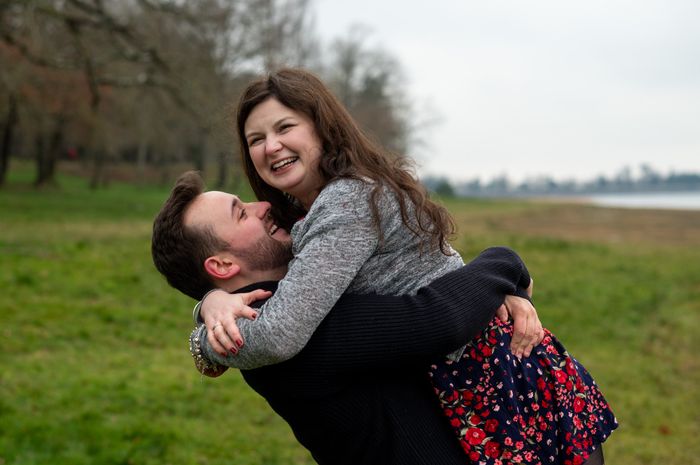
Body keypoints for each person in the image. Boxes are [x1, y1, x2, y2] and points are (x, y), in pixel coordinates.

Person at [192, 68, 617, 464]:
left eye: (285, 128)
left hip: (496, 372)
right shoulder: (312, 212)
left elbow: (280, 331)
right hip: (476, 372)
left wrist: (208, 343)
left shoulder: (344, 203)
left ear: (322, 128)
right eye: (256, 139)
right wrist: (211, 300)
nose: (271, 146)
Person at [151, 171, 543, 465]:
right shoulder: (289, 328)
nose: (263, 206)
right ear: (221, 264)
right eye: (241, 213)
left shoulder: (266, 311)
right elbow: (438, 318)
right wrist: (503, 262)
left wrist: (208, 306)